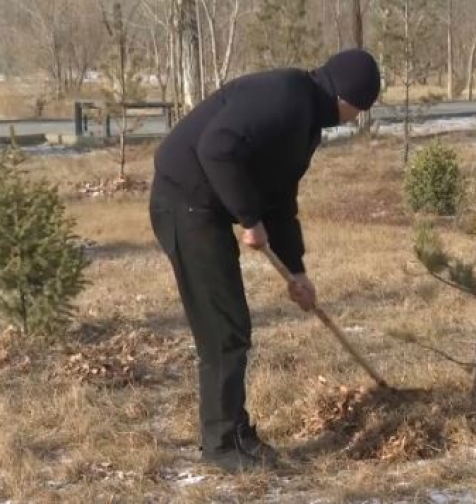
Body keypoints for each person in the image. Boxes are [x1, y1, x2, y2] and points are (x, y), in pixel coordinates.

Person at [149, 49, 381, 472]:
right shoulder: (286, 98)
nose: (355, 119)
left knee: (232, 327)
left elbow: (280, 200)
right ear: (345, 98)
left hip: (204, 209)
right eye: (359, 110)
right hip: (183, 203)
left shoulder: (305, 122)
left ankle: (236, 431)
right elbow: (215, 149)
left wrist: (297, 271)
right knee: (224, 329)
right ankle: (221, 445)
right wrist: (249, 219)